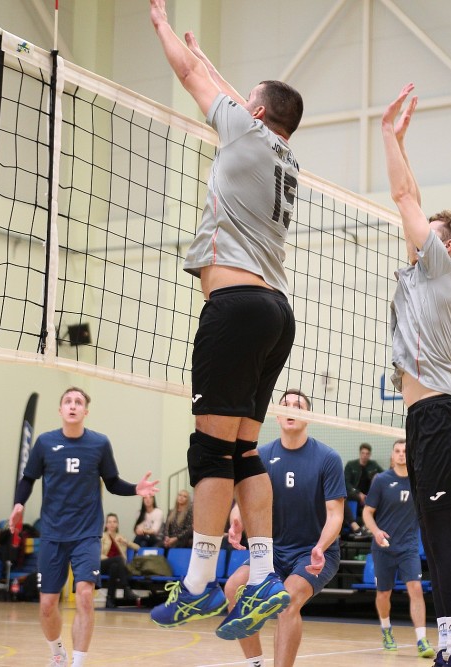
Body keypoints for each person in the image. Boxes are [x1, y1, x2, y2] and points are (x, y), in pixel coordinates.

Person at [148, 0, 304, 635]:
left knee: (209, 449)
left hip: (235, 308)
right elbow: (235, 96)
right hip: (275, 312)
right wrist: (211, 61)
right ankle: (263, 577)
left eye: (248, 102)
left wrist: (162, 25)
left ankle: (198, 584)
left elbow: (192, 79)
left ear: (256, 114)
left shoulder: (245, 132)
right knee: (242, 452)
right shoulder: (287, 157)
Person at [381, 83, 451, 667]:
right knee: (432, 537)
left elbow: (403, 196)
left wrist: (385, 134)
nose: (413, 226)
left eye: (427, 225)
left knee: (441, 539)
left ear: (444, 242)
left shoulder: (441, 266)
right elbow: (411, 196)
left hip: (441, 417)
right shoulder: (425, 274)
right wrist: (402, 143)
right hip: (424, 419)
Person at [8, 387, 158, 667]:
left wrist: (135, 489)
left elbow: (112, 482)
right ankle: (57, 654)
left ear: (85, 411)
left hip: (86, 534)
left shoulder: (99, 444)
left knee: (86, 596)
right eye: (68, 401)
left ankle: (78, 662)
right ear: (60, 410)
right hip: (52, 534)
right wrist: (19, 504)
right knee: (47, 605)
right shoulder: (45, 443)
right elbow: (28, 479)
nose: (73, 405)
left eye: (78, 402)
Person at [220, 389, 344, 663]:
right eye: (285, 405)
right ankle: (254, 662)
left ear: (308, 416)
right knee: (233, 588)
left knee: (286, 603)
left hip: (313, 552)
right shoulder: (260, 456)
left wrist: (320, 547)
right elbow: (244, 500)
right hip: (271, 552)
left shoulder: (328, 458)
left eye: (298, 405)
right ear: (277, 415)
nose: (290, 409)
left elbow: (335, 515)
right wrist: (237, 519)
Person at [361, 438, 434, 657]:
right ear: (392, 455)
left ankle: (421, 640)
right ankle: (386, 630)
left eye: (405, 450)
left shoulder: (418, 482)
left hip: (408, 547)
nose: (402, 454)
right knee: (384, 593)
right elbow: (367, 512)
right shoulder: (381, 480)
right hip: (383, 546)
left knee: (416, 589)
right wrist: (376, 531)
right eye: (398, 451)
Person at [100, 513, 140, 607]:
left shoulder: (121, 537)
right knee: (118, 560)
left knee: (114, 567)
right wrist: (112, 559)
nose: (112, 524)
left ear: (117, 524)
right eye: (109, 522)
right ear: (106, 524)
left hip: (117, 567)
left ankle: (110, 599)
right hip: (103, 564)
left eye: (114, 522)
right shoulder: (102, 536)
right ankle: (126, 589)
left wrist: (126, 542)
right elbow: (98, 554)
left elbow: (138, 548)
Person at [345, 443, 383, 525]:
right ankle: (357, 524)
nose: (365, 456)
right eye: (363, 453)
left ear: (370, 455)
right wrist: (358, 493)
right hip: (354, 493)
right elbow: (346, 482)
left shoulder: (374, 465)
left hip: (369, 494)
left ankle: (374, 523)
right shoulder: (351, 465)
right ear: (360, 453)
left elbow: (383, 476)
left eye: (367, 454)